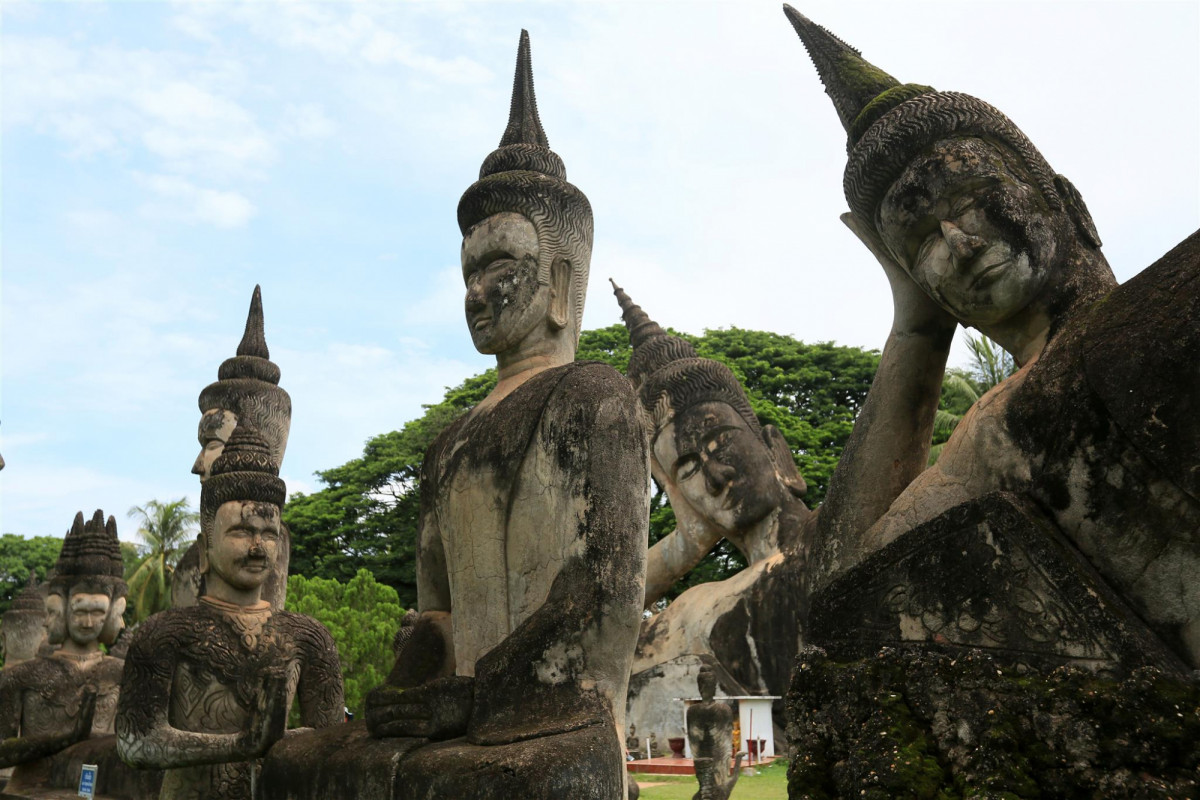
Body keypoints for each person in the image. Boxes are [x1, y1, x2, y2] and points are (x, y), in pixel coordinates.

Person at [785, 6, 1200, 667]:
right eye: (923, 242)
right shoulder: (987, 438)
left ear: (1065, 200)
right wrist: (916, 328)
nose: (961, 242)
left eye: (973, 197)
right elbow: (837, 601)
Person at [116, 425, 343, 800]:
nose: (258, 547)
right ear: (206, 549)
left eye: (269, 534)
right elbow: (135, 742)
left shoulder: (309, 638)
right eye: (240, 531)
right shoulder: (165, 634)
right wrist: (243, 744)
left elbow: (334, 744)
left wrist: (286, 741)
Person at [0, 511, 127, 792]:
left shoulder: (122, 674)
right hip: (29, 791)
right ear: (59, 608)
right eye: (80, 610)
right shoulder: (22, 677)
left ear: (113, 612)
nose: (89, 622)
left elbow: (136, 749)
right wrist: (66, 738)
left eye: (98, 612)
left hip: (101, 790)